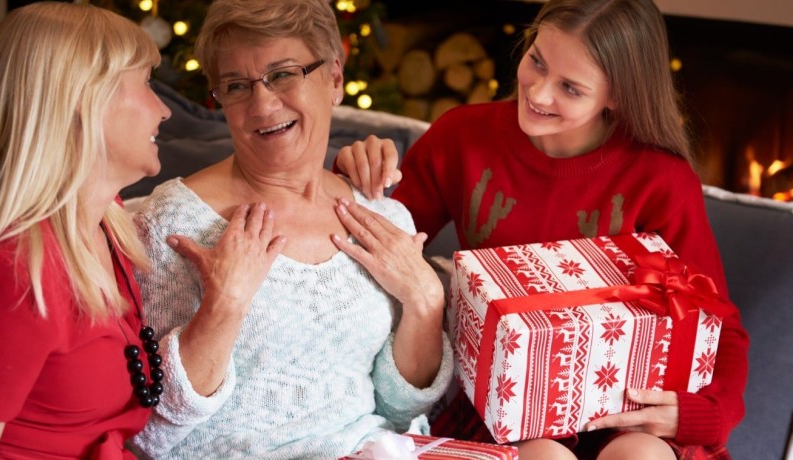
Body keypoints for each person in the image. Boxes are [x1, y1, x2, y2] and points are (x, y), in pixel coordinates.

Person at [335, 0, 750, 458]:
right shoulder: (462, 138)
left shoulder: (660, 179)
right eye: (536, 61)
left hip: (626, 410)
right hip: (509, 410)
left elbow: (720, 325)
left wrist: (701, 413)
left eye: (570, 88)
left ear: (616, 95)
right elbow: (375, 241)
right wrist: (356, 180)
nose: (539, 93)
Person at [127, 0, 453, 458]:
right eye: (237, 86)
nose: (262, 104)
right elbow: (150, 431)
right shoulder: (173, 223)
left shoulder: (382, 215)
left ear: (335, 79)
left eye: (282, 74)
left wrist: (424, 300)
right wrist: (225, 306)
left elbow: (400, 411)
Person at [0, 3, 174, 458]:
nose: (163, 110)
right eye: (145, 83)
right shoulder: (17, 271)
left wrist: (347, 169)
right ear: (86, 97)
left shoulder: (107, 224)